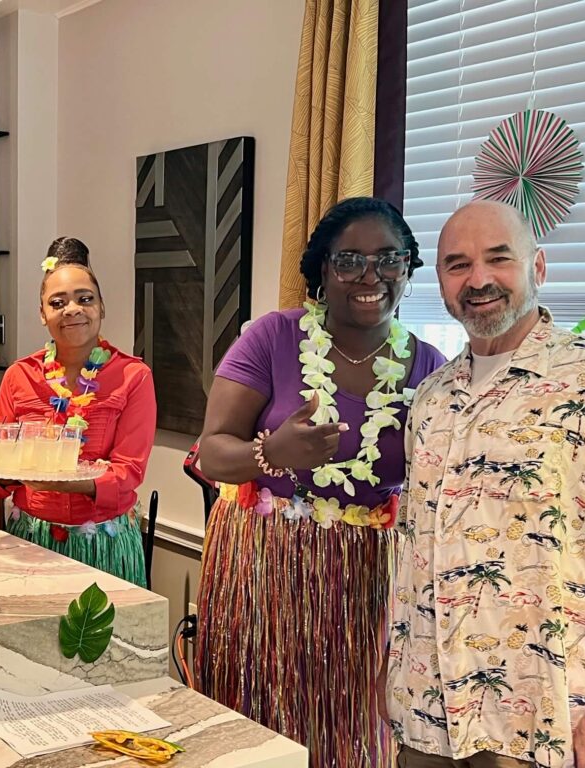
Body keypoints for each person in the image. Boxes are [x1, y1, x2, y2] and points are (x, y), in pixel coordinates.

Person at [194, 197, 446, 767]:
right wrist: (271, 454)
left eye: (389, 259)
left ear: (408, 269)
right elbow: (213, 452)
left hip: (367, 579)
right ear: (321, 269)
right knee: (257, 713)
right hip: (264, 561)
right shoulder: (273, 338)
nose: (370, 277)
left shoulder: (430, 366)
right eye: (350, 259)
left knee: (350, 728)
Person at [386, 200, 585, 768]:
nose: (479, 279)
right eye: (457, 264)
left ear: (538, 267)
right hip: (426, 718)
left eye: (499, 259)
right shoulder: (431, 397)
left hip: (543, 726)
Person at [0, 238, 156, 586]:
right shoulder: (18, 376)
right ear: (42, 313)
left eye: (85, 299)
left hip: (105, 542)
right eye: (57, 302)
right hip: (31, 540)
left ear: (101, 307)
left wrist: (59, 479)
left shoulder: (133, 376)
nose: (73, 309)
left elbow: (128, 472)